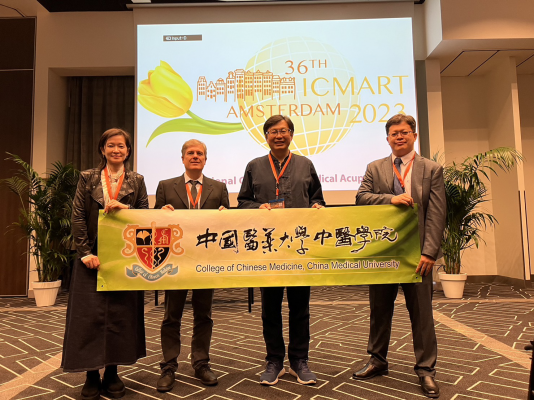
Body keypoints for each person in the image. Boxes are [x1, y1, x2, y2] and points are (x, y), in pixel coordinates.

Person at [354, 114, 446, 398]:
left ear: (414, 136)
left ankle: (426, 370)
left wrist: (430, 252)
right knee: (379, 310)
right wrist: (389, 198)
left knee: (421, 314)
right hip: (384, 253)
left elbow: (437, 213)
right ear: (388, 139)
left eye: (404, 132)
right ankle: (377, 360)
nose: (399, 137)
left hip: (418, 255)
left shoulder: (431, 169)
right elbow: (361, 198)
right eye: (394, 133)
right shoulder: (375, 167)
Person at [237, 115, 325, 386]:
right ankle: (274, 360)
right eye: (273, 131)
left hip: (299, 247)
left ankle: (299, 360)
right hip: (268, 249)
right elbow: (243, 202)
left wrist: (317, 207)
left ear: (291, 135)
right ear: (266, 136)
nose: (279, 136)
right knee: (270, 307)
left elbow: (317, 198)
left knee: (300, 307)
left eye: (284, 131)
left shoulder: (305, 164)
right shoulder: (254, 166)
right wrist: (258, 207)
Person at [62, 128, 148, 400]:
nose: (116, 150)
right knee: (88, 318)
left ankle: (112, 372)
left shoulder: (137, 180)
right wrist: (85, 252)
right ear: (102, 149)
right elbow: (77, 216)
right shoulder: (87, 177)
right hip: (92, 258)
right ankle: (91, 374)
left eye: (121, 146)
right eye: (111, 145)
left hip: (124, 257)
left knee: (120, 317)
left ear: (128, 150)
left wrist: (126, 209)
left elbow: (145, 216)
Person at [155, 139, 229, 392]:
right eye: (190, 153)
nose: (195, 156)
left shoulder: (219, 188)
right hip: (175, 262)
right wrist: (160, 212)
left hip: (205, 262)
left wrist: (225, 214)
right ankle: (168, 366)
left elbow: (227, 226)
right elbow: (153, 223)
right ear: (183, 158)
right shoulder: (166, 186)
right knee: (171, 316)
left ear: (205, 159)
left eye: (200, 153)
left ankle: (201, 363)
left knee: (203, 315)